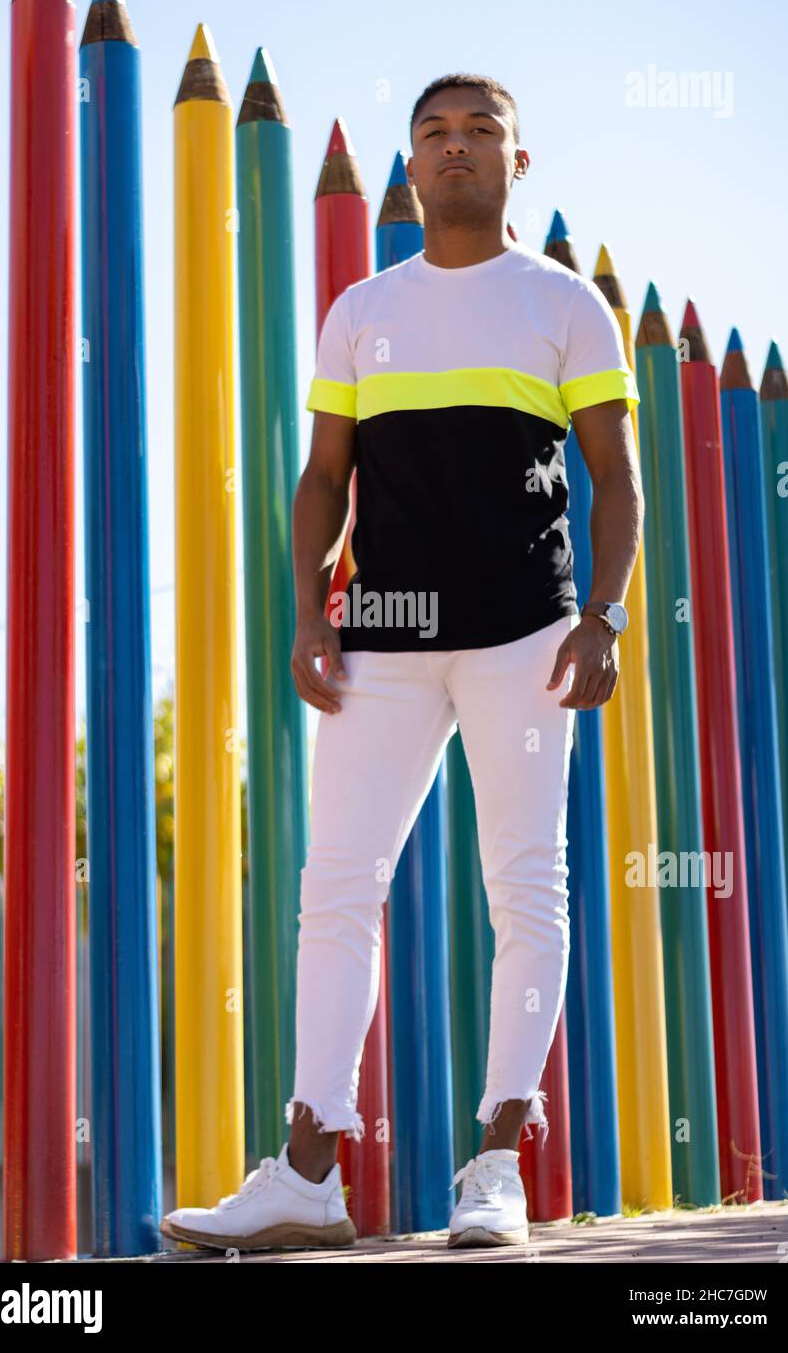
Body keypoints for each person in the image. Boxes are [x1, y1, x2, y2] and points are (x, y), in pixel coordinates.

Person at [161, 71, 643, 1254]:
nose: (456, 148)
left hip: (526, 634)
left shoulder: (564, 303)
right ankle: (308, 1170)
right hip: (380, 629)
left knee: (525, 889)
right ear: (410, 165)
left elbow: (617, 479)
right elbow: (323, 478)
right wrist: (305, 615)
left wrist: (607, 617)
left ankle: (493, 1167)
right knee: (336, 889)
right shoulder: (359, 309)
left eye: (481, 131)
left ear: (516, 163)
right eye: (433, 132)